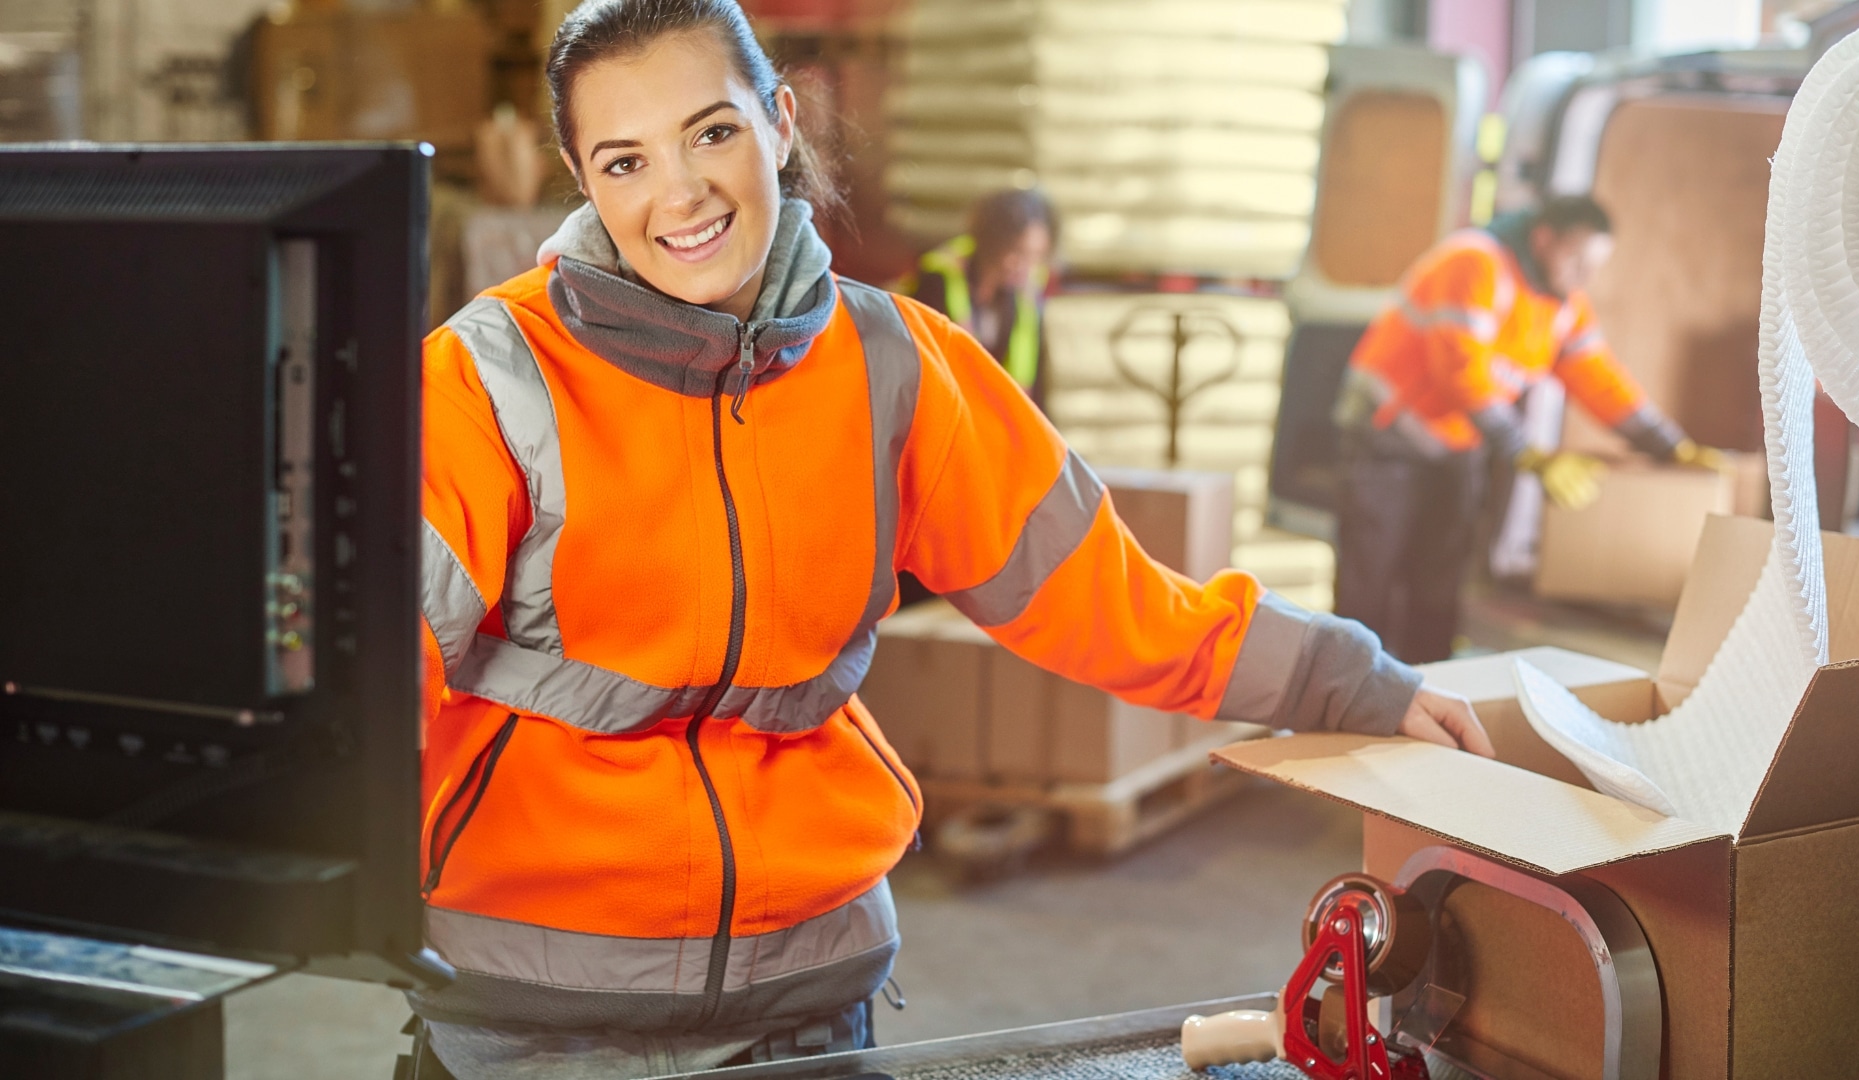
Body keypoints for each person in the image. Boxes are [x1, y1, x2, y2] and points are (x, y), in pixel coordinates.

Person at [408, 2, 1491, 1077]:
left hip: (806, 999)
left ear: (780, 122)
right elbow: (372, 671)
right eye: (625, 159)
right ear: (579, 174)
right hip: (532, 1020)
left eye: (712, 132)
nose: (680, 193)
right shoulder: (490, 378)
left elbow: (1108, 600)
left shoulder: (895, 366)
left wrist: (1356, 683)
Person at [1334, 195, 1723, 664]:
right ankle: (1343, 702)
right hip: (1387, 438)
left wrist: (1668, 445)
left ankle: (1425, 697)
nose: (1585, 276)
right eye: (1577, 259)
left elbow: (1600, 379)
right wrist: (1528, 455)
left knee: (1439, 585)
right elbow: (1461, 375)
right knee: (1368, 582)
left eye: (1594, 265)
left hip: (1457, 445)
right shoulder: (1474, 264)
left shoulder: (1563, 305)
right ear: (1544, 240)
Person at [897, 188, 1057, 410]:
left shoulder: (1026, 296)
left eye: (1035, 256)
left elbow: (1037, 386)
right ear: (992, 241)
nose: (1026, 266)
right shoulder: (937, 281)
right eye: (1017, 252)